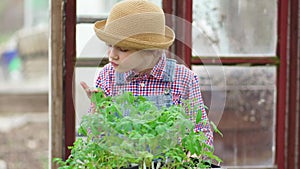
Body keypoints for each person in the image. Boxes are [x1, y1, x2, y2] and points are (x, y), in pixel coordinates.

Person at [80, 0, 213, 146]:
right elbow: (96, 141)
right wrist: (97, 110)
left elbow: (201, 133)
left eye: (123, 49)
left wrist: (191, 158)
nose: (112, 55)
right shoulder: (107, 76)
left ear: (153, 50)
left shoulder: (183, 78)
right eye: (109, 46)